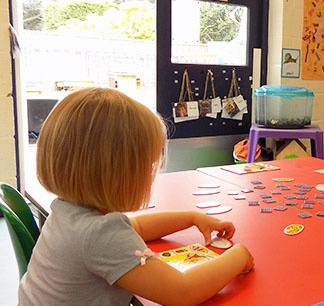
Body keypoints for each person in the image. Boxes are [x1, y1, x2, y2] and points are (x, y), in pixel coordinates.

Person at [19, 88, 254, 305]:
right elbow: (183, 291)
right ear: (120, 173)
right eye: (149, 166)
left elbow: (137, 226)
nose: (152, 175)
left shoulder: (69, 211)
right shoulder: (99, 235)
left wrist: (191, 217)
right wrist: (238, 256)